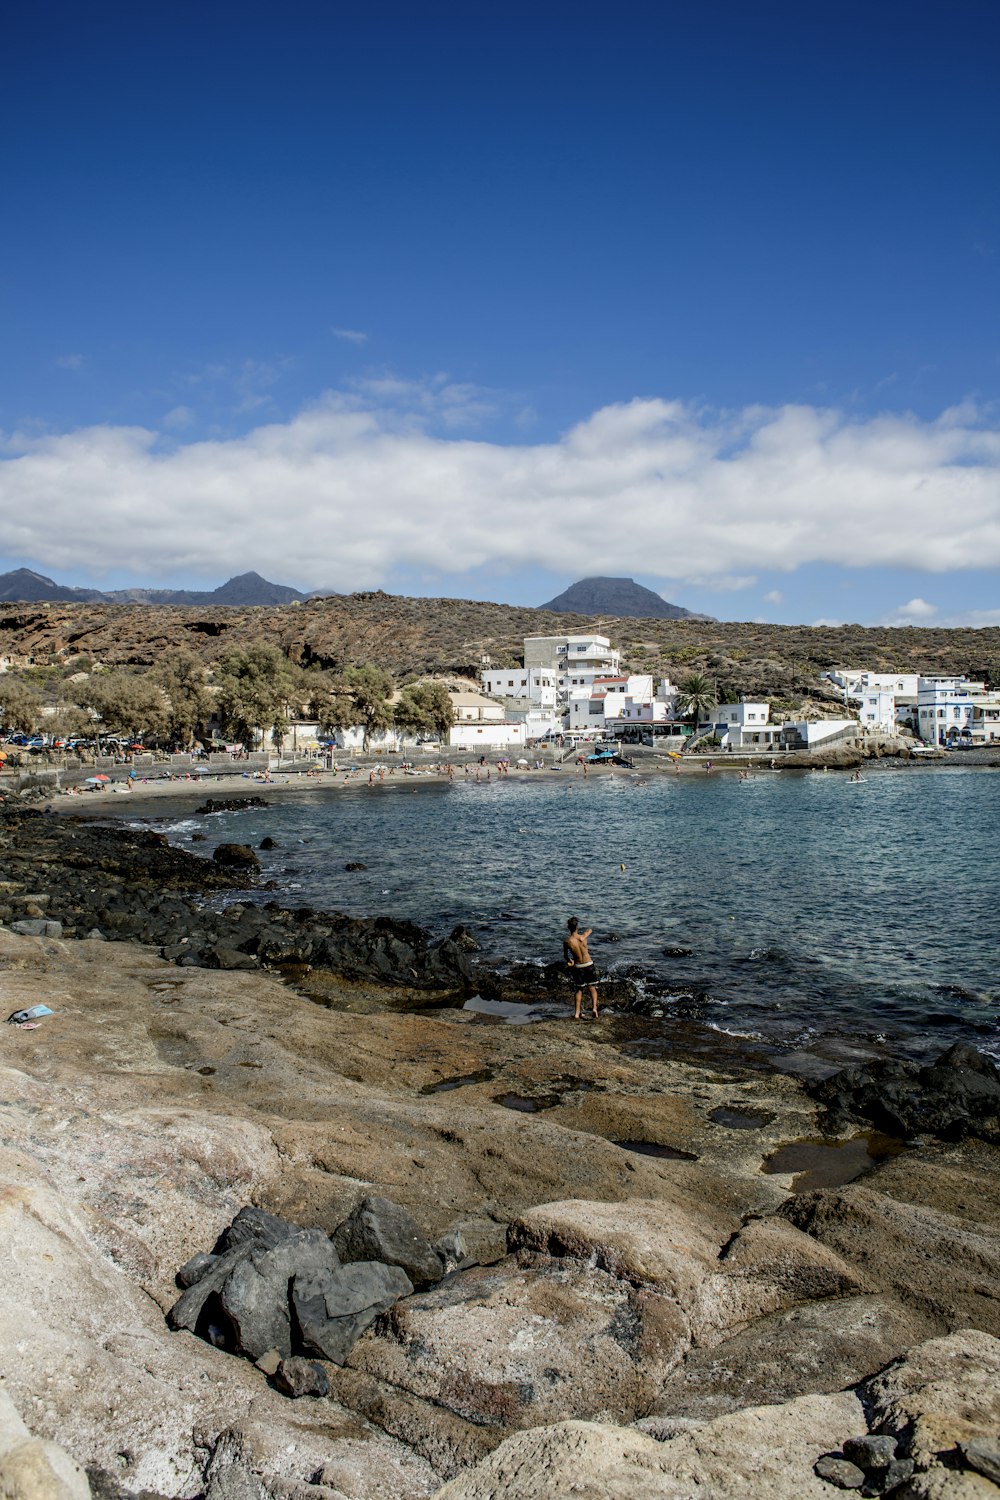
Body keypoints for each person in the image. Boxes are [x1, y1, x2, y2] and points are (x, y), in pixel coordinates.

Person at [563, 916, 599, 1020]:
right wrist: (587, 932)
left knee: (579, 990)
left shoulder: (567, 942)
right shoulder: (583, 937)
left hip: (578, 966)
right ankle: (594, 1009)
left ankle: (577, 1013)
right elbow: (589, 930)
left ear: (568, 928)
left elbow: (566, 957)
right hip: (589, 964)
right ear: (577, 927)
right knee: (592, 988)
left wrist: (570, 961)